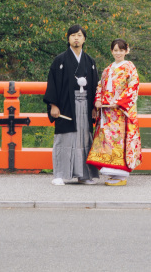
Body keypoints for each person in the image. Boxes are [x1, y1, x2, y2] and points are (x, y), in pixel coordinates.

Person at [43, 24, 100, 185]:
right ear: (68, 38)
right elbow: (52, 84)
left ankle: (84, 175)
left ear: (84, 39)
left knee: (84, 139)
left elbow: (95, 84)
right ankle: (60, 175)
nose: (76, 38)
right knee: (65, 138)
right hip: (66, 105)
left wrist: (94, 107)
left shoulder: (90, 61)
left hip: (85, 105)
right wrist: (53, 105)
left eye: (80, 35)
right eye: (73, 35)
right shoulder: (59, 60)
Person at [86, 38, 142, 186]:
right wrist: (97, 100)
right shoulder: (108, 69)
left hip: (120, 111)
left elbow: (133, 86)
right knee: (108, 141)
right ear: (111, 51)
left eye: (121, 50)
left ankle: (121, 175)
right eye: (115, 50)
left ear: (126, 51)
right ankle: (113, 173)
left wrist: (119, 103)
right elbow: (99, 86)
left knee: (120, 141)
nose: (118, 53)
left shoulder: (130, 67)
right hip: (107, 111)